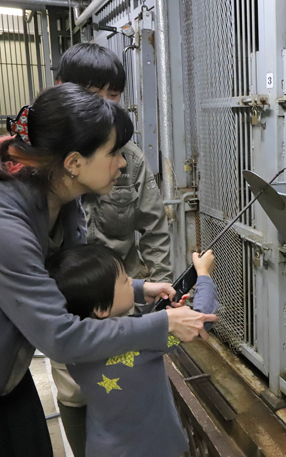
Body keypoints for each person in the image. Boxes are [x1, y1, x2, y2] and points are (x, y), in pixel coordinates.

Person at [0, 83, 216, 457]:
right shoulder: (8, 228)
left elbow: (70, 282)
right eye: (113, 152)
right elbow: (61, 337)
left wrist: (137, 289)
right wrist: (161, 324)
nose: (122, 163)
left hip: (11, 373)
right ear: (73, 162)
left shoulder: (63, 202)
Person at [53, 42, 174, 454]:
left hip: (122, 301)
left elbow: (154, 227)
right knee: (76, 394)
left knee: (128, 386)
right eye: (91, 93)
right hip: (68, 309)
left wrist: (160, 295)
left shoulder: (129, 161)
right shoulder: (47, 165)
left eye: (113, 95)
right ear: (61, 89)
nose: (103, 105)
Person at [46, 245, 218, 457]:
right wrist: (203, 275)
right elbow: (202, 320)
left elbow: (129, 326)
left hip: (103, 448)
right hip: (154, 450)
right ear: (101, 309)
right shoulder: (140, 343)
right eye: (126, 281)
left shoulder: (72, 347)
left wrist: (161, 315)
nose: (132, 282)